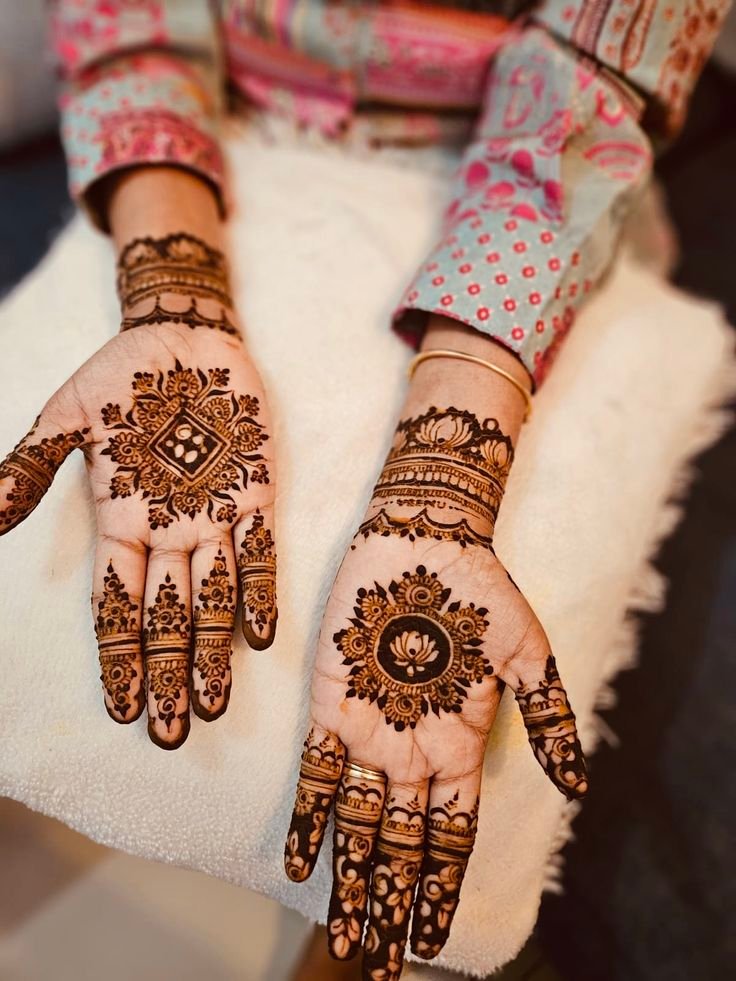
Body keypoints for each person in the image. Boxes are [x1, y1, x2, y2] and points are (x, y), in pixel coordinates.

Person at [0, 2, 727, 978]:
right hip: (207, 142)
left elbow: (575, 112)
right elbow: (132, 24)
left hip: (534, 219)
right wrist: (175, 295)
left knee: (452, 768)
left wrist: (442, 484)